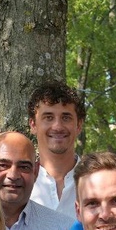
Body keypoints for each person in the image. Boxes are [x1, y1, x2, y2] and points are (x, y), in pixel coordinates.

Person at [27, 80, 86, 217]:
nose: (58, 126)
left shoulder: (96, 182)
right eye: (48, 117)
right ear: (33, 125)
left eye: (66, 118)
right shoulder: (21, 185)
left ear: (78, 125)